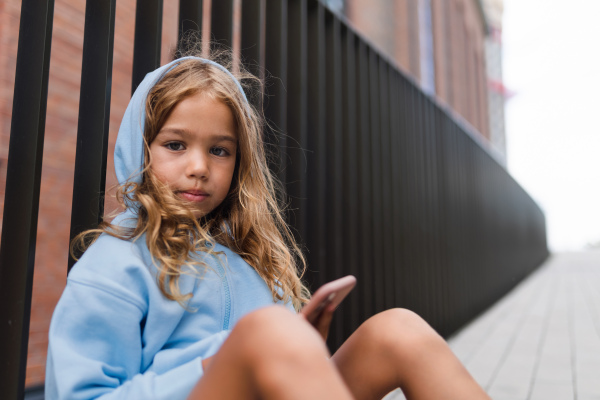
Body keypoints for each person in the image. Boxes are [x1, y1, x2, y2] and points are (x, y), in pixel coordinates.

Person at [46, 50, 490, 400]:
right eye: (175, 144)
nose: (199, 166)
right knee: (265, 332)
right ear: (140, 149)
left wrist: (299, 348)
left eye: (220, 150)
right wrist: (221, 362)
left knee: (397, 331)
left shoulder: (248, 257)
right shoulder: (117, 264)